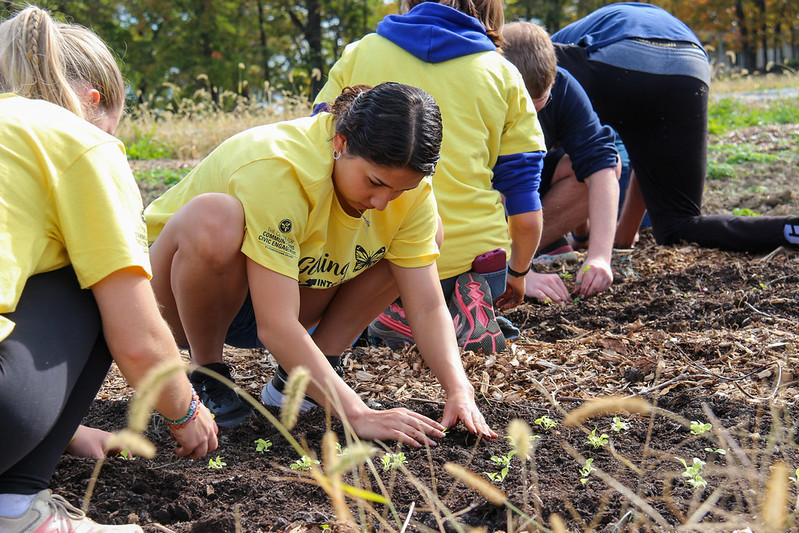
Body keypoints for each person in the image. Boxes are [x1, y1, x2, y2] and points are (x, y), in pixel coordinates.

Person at [144, 82, 497, 444]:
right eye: (374, 182)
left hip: (284, 296)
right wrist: (356, 413)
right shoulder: (278, 165)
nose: (382, 202)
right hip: (174, 299)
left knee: (427, 234)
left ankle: (309, 375)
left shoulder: (410, 194)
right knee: (214, 217)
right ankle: (208, 375)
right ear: (340, 143)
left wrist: (459, 389)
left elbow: (425, 304)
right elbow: (275, 325)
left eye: (400, 190)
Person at [0, 6, 218, 532]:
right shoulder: (79, 139)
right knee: (101, 275)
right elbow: (138, 334)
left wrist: (67, 432)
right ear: (93, 102)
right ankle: (15, 507)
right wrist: (186, 414)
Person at [313, 0, 547, 354]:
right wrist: (517, 274)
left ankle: (394, 308)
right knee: (473, 268)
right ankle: (467, 298)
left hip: (372, 251)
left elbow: (319, 144)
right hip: (479, 257)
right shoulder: (503, 74)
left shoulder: (359, 53)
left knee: (377, 258)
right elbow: (525, 210)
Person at [550, 2, 799, 253]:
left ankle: (541, 241)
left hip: (614, 53)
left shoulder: (542, 53)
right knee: (678, 225)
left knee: (542, 140)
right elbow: (649, 155)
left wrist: (581, 237)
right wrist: (624, 235)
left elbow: (573, 154)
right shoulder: (622, 19)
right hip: (689, 62)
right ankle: (791, 231)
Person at [502, 21, 620, 302]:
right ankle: (503, 261)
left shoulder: (564, 85)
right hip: (487, 195)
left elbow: (600, 163)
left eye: (537, 101)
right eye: (517, 103)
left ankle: (533, 245)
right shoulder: (478, 93)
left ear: (553, 79)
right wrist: (515, 271)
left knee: (606, 165)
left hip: (530, 186)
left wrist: (600, 256)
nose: (527, 114)